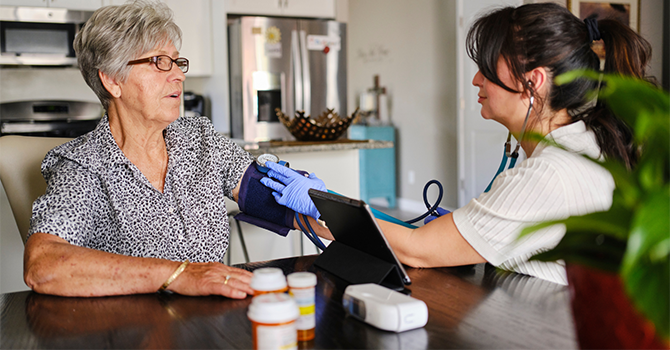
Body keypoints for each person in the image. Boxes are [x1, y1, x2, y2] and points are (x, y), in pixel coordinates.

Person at [260, 3, 653, 285]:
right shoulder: (585, 141)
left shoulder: (551, 172)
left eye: (486, 69)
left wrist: (318, 202)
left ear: (532, 82)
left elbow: (417, 249)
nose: (475, 82)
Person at [23, 0, 258, 298]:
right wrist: (178, 275)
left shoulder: (199, 139)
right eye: (160, 62)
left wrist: (320, 212)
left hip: (207, 324)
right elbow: (43, 266)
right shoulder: (84, 164)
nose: (179, 75)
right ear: (112, 80)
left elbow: (267, 193)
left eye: (176, 61)